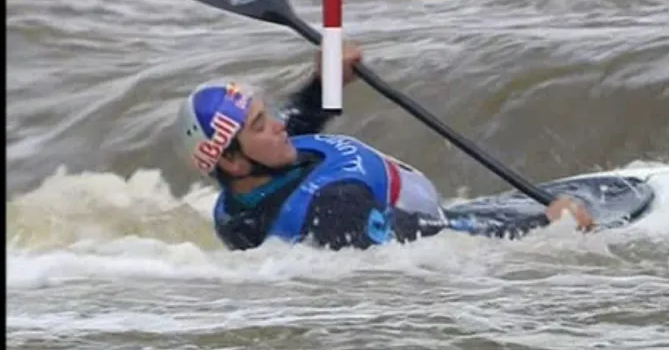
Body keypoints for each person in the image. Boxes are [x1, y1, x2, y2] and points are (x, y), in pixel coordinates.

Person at [173, 45, 596, 251]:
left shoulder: (248, 187)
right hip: (444, 226)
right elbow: (438, 243)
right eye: (261, 124)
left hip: (431, 216)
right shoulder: (336, 209)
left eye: (269, 114)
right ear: (232, 159)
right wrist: (547, 230)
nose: (280, 126)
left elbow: (299, 128)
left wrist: (325, 83)